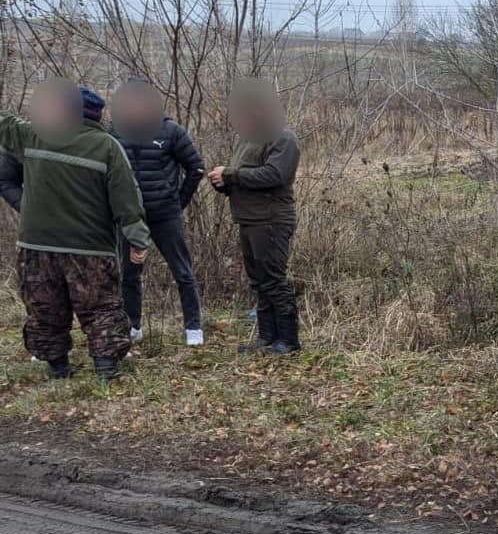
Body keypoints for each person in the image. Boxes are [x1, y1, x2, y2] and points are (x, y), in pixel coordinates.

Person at [0, 78, 151, 380]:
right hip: (89, 248)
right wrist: (138, 240)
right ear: (97, 115)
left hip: (37, 246)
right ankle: (106, 370)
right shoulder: (107, 146)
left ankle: (58, 369)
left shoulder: (35, 135)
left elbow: (5, 123)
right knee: (101, 308)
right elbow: (127, 198)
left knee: (45, 308)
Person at [108, 79, 207, 346]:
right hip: (130, 218)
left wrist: (177, 201)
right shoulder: (115, 132)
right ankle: (133, 326)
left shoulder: (171, 131)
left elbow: (196, 168)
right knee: (130, 274)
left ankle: (193, 329)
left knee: (182, 271)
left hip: (166, 215)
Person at [209, 78, 301, 354]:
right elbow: (245, 177)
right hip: (248, 219)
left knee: (273, 279)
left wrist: (231, 174)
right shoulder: (249, 140)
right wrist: (224, 182)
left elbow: (274, 175)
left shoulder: (284, 139)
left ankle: (288, 340)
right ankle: (266, 337)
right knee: (258, 280)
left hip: (271, 220)